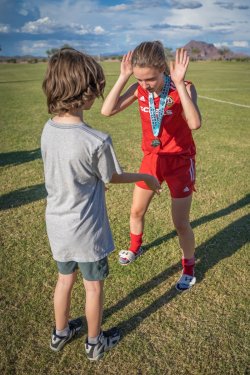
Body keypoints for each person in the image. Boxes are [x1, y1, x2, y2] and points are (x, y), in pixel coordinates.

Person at [41, 47, 161, 361]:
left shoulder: (47, 129)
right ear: (86, 92)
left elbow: (68, 172)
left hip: (56, 224)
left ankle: (60, 332)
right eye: (95, 86)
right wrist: (146, 178)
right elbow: (113, 177)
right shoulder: (96, 140)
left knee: (64, 280)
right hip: (86, 230)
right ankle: (95, 342)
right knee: (93, 287)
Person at [101, 41, 202, 291]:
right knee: (136, 211)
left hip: (179, 161)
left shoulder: (185, 87)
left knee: (180, 223)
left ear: (162, 70)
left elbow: (194, 123)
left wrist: (178, 83)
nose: (145, 84)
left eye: (151, 79)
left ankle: (188, 267)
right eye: (140, 79)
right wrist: (124, 77)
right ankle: (136, 246)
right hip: (152, 159)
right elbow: (107, 110)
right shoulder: (138, 89)